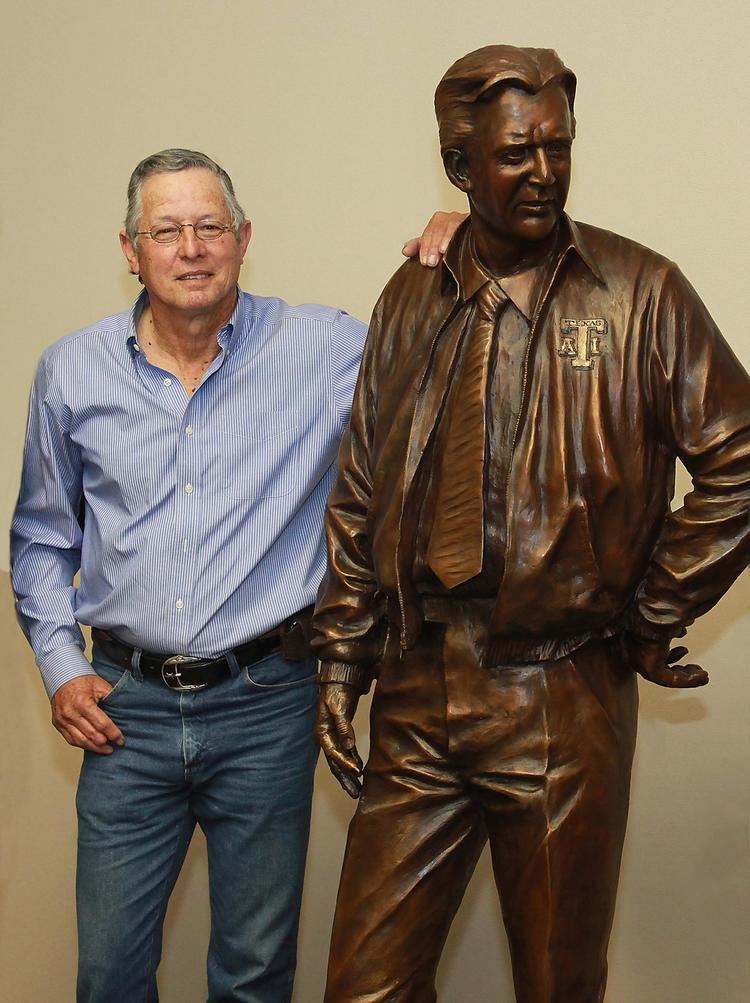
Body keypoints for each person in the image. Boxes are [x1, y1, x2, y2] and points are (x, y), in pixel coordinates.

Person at [313, 45, 750, 1003]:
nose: (545, 173)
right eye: (517, 154)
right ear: (462, 165)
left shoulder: (640, 293)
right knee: (364, 987)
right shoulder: (408, 299)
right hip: (419, 688)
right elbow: (359, 493)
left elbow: (740, 455)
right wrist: (343, 656)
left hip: (559, 695)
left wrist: (650, 606)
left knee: (559, 984)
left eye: (559, 147)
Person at [10, 148, 461, 1003]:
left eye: (210, 226)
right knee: (107, 975)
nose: (191, 248)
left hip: (268, 703)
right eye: (166, 230)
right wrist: (62, 668)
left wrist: (464, 239)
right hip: (124, 708)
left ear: (244, 239)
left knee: (254, 974)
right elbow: (39, 537)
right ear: (130, 249)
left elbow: (441, 360)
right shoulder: (71, 372)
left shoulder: (326, 348)